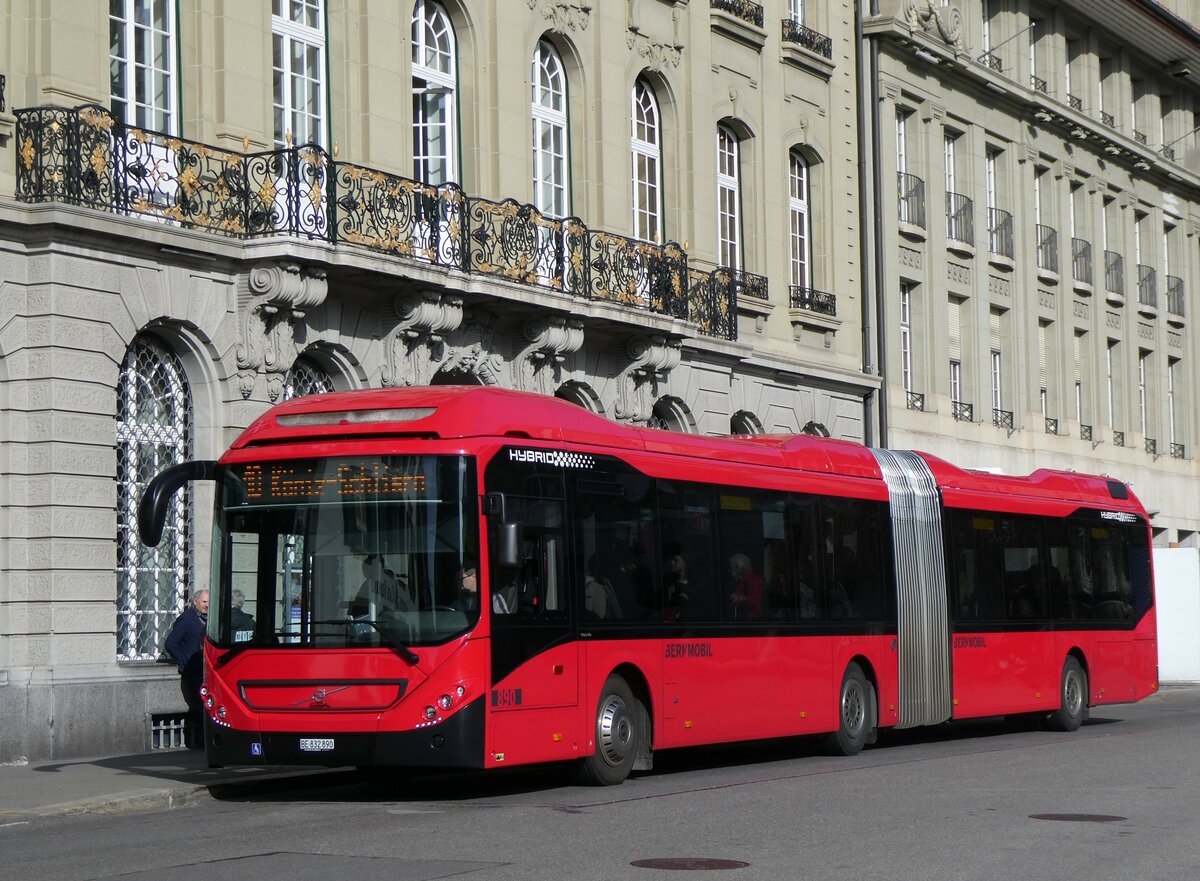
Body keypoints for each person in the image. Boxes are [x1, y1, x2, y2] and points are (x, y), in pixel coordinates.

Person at [165, 589, 208, 749]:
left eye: (209, 602)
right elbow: (170, 644)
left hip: (208, 671)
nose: (207, 605)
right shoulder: (186, 619)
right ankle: (201, 744)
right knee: (200, 709)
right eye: (204, 602)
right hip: (193, 673)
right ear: (195, 601)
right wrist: (184, 661)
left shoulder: (210, 620)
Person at [726, 553, 764, 620]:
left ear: (739, 569)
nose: (728, 571)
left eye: (731, 568)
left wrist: (741, 598)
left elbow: (755, 600)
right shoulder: (739, 582)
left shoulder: (753, 580)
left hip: (752, 623)